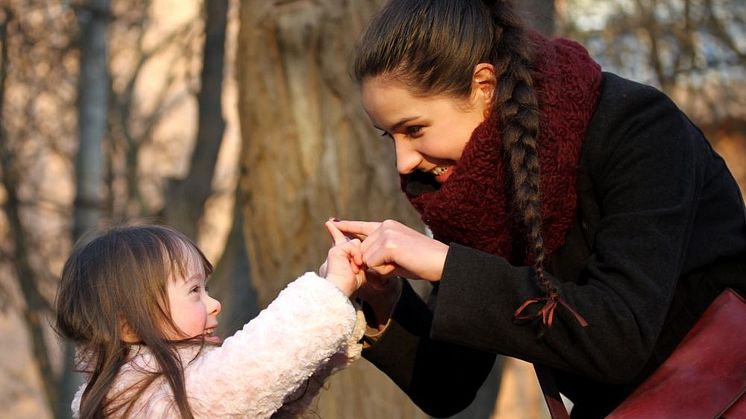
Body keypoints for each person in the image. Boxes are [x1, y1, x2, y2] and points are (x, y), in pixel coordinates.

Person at [331, 0, 746, 418]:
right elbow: (447, 386)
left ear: (484, 86)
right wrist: (384, 299)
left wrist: (447, 264)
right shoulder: (472, 193)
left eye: (414, 129)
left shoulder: (638, 128)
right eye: (390, 136)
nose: (402, 163)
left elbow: (620, 336)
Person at [54, 222, 366, 418]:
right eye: (194, 290)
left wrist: (334, 293)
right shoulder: (138, 402)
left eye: (207, 288)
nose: (214, 304)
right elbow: (248, 373)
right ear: (129, 326)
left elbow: (271, 391)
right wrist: (328, 292)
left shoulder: (164, 385)